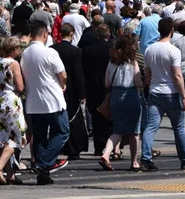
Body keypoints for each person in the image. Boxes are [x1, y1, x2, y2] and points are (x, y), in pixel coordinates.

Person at [140, 17, 185, 171]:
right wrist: (183, 95)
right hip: (171, 93)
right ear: (172, 31)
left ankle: (146, 158)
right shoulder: (173, 50)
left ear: (159, 30)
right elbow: (177, 75)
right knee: (179, 128)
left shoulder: (149, 49)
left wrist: (150, 87)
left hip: (155, 92)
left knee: (151, 127)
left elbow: (147, 74)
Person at [20, 21, 70, 185]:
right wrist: (63, 85)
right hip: (52, 100)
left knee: (40, 136)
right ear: (44, 34)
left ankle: (43, 172)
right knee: (62, 131)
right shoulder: (50, 52)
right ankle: (44, 164)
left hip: (34, 101)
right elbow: (63, 75)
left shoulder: (25, 54)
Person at [99, 33, 144, 171]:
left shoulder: (111, 63)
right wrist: (142, 82)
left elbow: (107, 83)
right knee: (134, 132)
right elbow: (137, 84)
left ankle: (106, 154)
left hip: (115, 97)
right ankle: (134, 162)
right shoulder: (133, 63)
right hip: (130, 96)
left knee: (117, 130)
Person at [0, 36, 26, 185]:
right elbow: (20, 86)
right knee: (17, 137)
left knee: (0, 137)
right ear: (15, 49)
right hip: (11, 102)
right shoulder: (14, 63)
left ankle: (9, 173)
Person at [54, 23, 89, 160]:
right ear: (72, 34)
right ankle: (74, 148)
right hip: (72, 88)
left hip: (57, 87)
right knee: (73, 119)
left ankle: (61, 146)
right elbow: (78, 73)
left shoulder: (53, 49)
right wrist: (82, 93)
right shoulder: (75, 51)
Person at [82, 24, 115, 155]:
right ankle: (110, 146)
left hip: (93, 87)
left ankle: (98, 146)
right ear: (108, 34)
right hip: (108, 87)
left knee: (96, 117)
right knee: (109, 117)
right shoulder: (112, 49)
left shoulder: (88, 50)